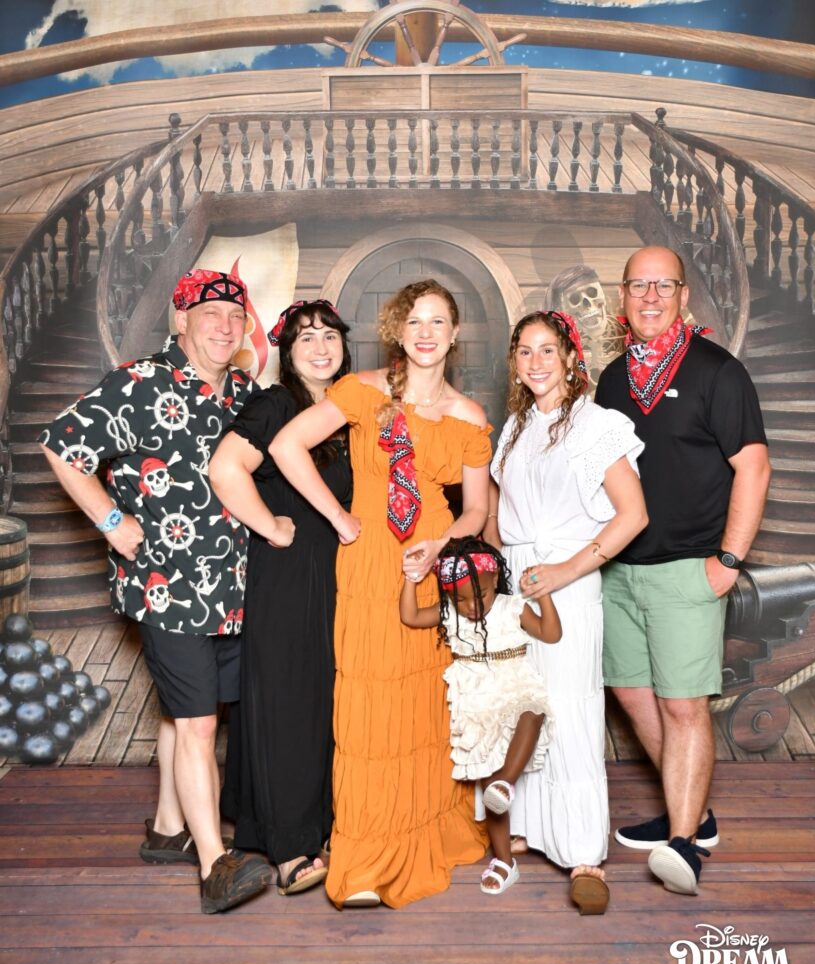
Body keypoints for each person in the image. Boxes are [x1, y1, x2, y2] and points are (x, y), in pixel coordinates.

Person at [39, 269, 272, 914]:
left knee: (191, 713)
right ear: (181, 320)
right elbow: (61, 444)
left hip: (229, 584)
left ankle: (169, 826)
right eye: (210, 314)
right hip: (167, 584)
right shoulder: (140, 383)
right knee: (198, 722)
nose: (225, 326)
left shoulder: (244, 391)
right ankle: (213, 865)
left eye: (235, 315)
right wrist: (111, 521)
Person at [270, 279, 491, 908]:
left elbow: (476, 510)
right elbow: (287, 446)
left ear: (454, 334)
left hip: (428, 567)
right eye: (413, 320)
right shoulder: (365, 391)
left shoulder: (469, 416)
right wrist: (339, 519)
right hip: (368, 568)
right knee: (367, 715)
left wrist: (442, 543)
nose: (425, 332)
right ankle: (366, 859)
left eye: (438, 321)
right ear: (398, 330)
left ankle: (426, 830)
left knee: (424, 710)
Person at [595, 245, 770, 896]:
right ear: (621, 298)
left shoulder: (716, 372)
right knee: (634, 695)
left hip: (687, 571)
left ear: (681, 294)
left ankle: (683, 846)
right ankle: (689, 813)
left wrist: (727, 560)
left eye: (660, 285)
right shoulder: (612, 380)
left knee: (682, 706)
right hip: (620, 572)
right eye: (636, 285)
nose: (648, 297)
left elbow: (751, 467)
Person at [484, 309, 647, 915]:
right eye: (524, 351)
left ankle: (583, 851)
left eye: (547, 350)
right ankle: (528, 826)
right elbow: (499, 519)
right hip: (516, 583)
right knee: (524, 704)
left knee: (571, 707)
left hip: (569, 582)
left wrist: (563, 572)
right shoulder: (514, 428)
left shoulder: (597, 424)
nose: (535, 362)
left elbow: (633, 516)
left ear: (572, 358)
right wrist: (494, 582)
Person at [209, 299, 352, 896]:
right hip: (290, 573)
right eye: (305, 339)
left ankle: (283, 823)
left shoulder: (346, 410)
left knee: (318, 699)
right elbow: (225, 468)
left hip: (335, 572)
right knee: (291, 700)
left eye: (329, 337)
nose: (320, 348)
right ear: (288, 353)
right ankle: (292, 847)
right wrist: (270, 525)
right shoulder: (275, 405)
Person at [399, 536, 561, 895]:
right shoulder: (449, 613)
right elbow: (409, 617)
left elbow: (551, 633)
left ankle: (507, 780)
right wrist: (411, 578)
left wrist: (544, 594)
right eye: (461, 599)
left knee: (532, 711)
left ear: (495, 583)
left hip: (513, 681)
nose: (472, 606)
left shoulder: (510, 607)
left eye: (481, 595)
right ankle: (505, 861)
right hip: (475, 701)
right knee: (488, 781)